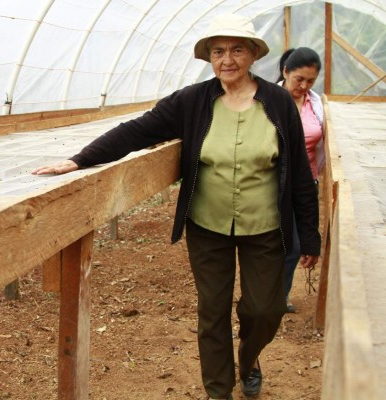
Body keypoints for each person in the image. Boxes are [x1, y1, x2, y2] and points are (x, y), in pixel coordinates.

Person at [32, 14, 320, 400]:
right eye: (218, 51)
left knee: (264, 311)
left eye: (237, 49)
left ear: (253, 54)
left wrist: (311, 237)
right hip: (208, 226)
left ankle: (249, 360)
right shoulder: (193, 101)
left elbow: (300, 174)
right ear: (208, 58)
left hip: (265, 227)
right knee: (212, 312)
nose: (227, 59)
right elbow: (138, 130)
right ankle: (218, 391)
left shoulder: (279, 101)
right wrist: (80, 159)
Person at [276, 47, 324, 313]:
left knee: (294, 248)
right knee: (271, 246)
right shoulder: (266, 101)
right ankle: (262, 300)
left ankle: (278, 297)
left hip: (305, 184)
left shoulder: (315, 105)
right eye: (299, 80)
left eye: (310, 81)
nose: (304, 86)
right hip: (274, 185)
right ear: (285, 72)